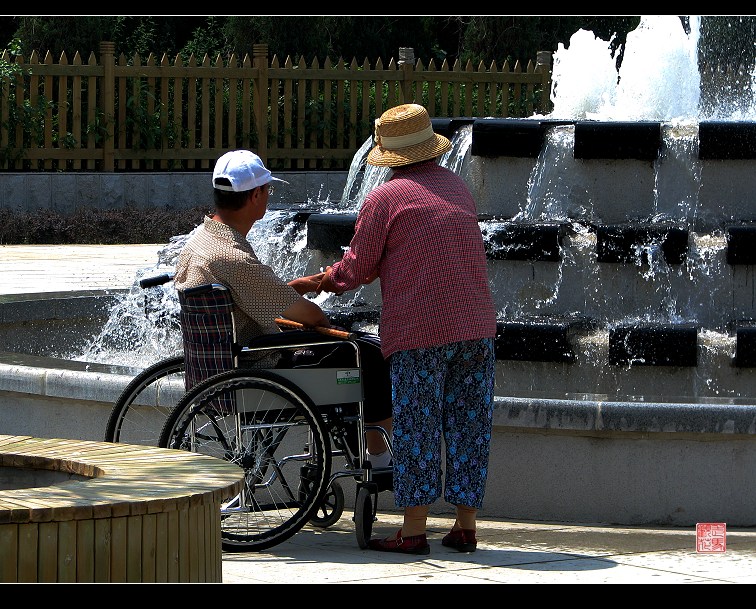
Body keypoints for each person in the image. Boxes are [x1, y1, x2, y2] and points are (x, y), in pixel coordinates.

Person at [315, 103, 497, 555]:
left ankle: (413, 529)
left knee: (418, 425)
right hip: (476, 326)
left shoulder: (385, 198)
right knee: (468, 424)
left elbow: (357, 267)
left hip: (421, 331)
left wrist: (323, 280)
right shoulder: (457, 187)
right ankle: (465, 526)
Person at [174, 149, 392, 462]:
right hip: (258, 366)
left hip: (217, 365)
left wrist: (296, 286)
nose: (268, 197)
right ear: (255, 196)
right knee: (367, 352)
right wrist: (313, 309)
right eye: (268, 190)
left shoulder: (200, 242)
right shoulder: (232, 257)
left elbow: (250, 295)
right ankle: (378, 458)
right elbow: (312, 315)